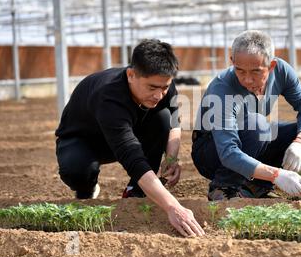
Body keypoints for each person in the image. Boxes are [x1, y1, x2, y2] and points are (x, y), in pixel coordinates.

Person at [55, 39, 204, 237]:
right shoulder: (109, 96)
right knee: (77, 169)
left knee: (163, 117)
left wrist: (171, 158)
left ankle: (136, 192)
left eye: (164, 88)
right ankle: (87, 189)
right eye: (152, 88)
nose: (159, 95)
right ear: (131, 75)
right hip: (84, 140)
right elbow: (132, 157)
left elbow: (175, 122)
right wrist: (173, 208)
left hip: (128, 132)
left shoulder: (163, 82)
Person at [191, 30, 301, 201]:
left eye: (256, 72)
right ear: (232, 62)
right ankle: (223, 187)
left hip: (249, 140)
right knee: (258, 125)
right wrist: (276, 174)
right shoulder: (223, 89)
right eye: (240, 71)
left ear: (271, 66)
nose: (247, 79)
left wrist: (300, 142)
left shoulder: (282, 71)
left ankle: (257, 186)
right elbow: (228, 152)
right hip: (212, 151)